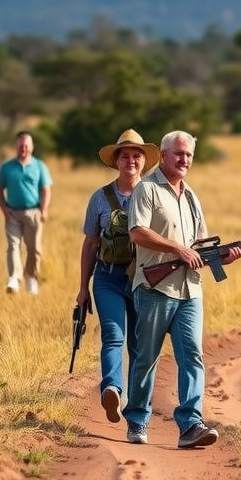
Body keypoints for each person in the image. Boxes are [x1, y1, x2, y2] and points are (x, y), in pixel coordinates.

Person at [123, 130, 241, 449]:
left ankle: (191, 424)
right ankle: (137, 419)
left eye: (188, 154)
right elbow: (136, 232)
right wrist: (177, 249)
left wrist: (223, 258)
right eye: (178, 153)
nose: (184, 159)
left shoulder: (191, 196)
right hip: (154, 288)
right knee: (146, 357)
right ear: (163, 156)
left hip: (190, 291)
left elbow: (199, 248)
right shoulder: (147, 189)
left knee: (192, 356)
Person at [76, 129, 160, 424]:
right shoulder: (99, 198)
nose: (131, 160)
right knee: (113, 336)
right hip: (107, 277)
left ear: (144, 161)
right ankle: (112, 388)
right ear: (116, 161)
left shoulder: (153, 195)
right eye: (125, 155)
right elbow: (90, 244)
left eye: (137, 155)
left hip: (144, 280)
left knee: (140, 344)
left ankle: (136, 411)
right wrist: (82, 288)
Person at [0, 130, 53, 294]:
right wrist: (3, 208)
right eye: (20, 145)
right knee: (13, 246)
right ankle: (14, 278)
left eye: (26, 145)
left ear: (32, 147)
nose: (23, 148)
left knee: (34, 249)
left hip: (34, 212)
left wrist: (44, 209)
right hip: (12, 213)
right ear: (16, 146)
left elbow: (46, 189)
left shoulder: (40, 166)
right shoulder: (6, 167)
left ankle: (31, 277)